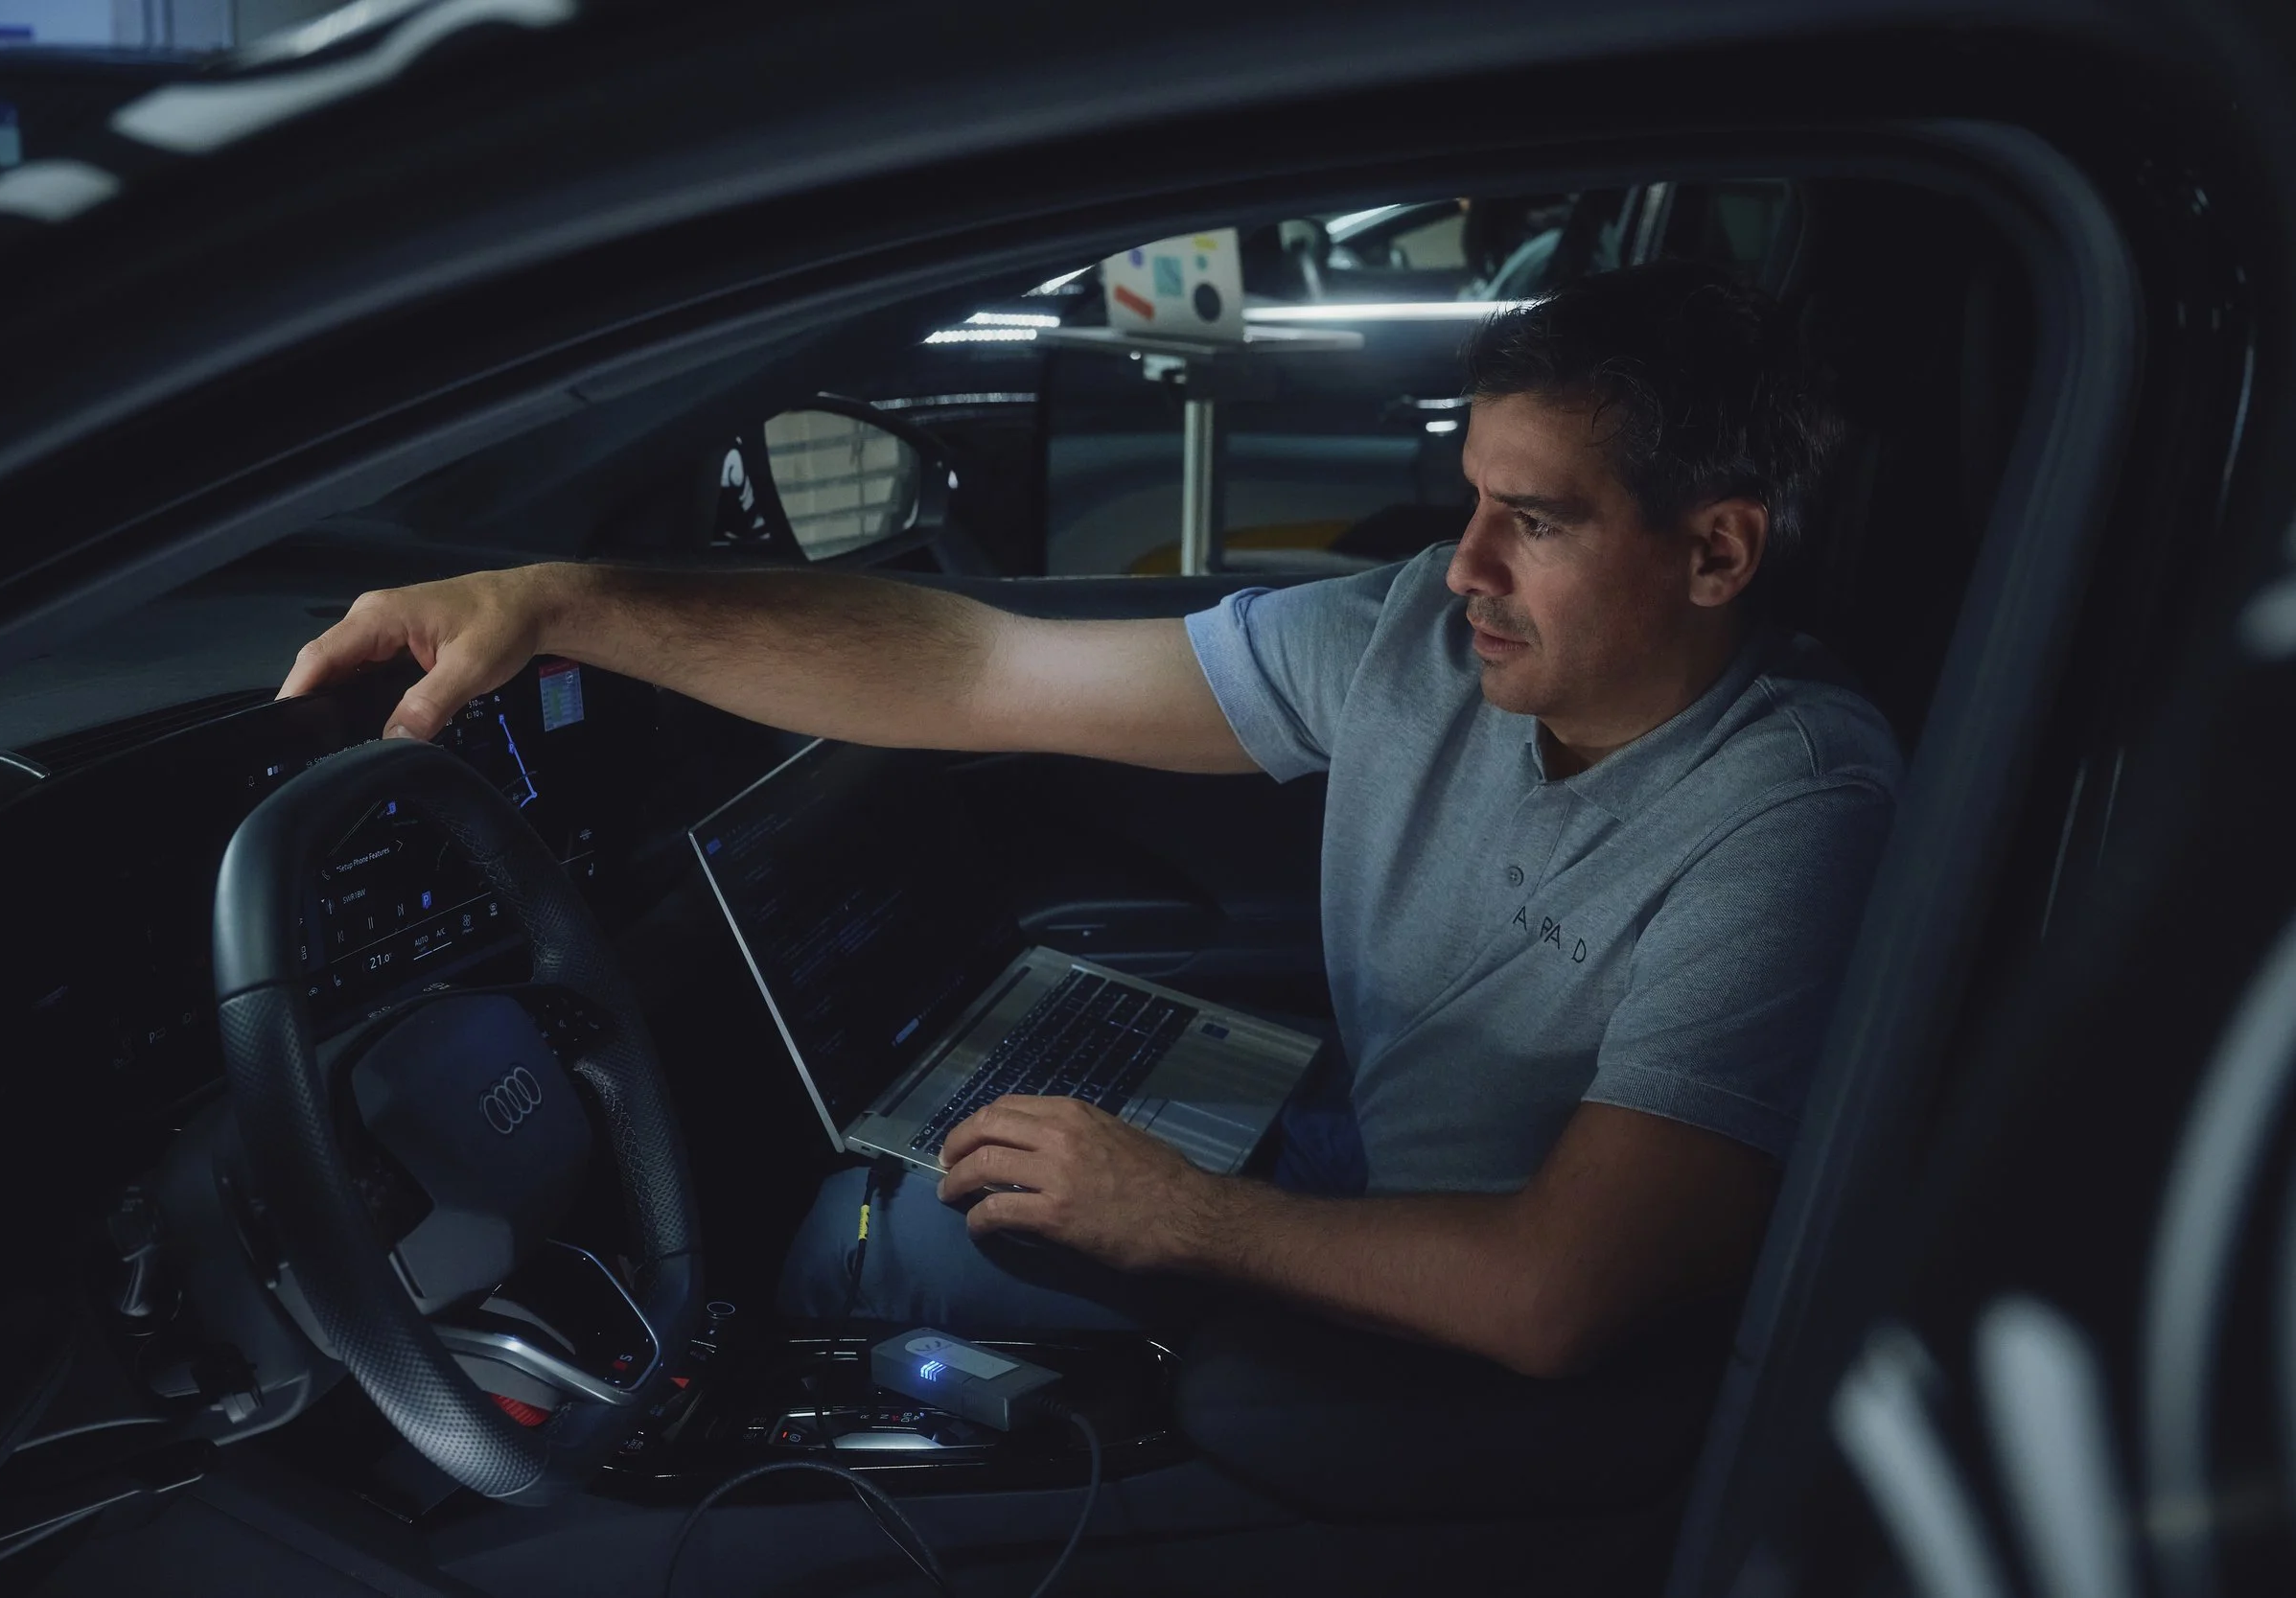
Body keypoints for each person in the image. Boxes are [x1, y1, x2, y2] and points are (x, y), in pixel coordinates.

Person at [281, 259, 1898, 1380]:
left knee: (878, 1232)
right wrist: (565, 601)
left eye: (1532, 520)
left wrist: (1185, 1217)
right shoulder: (1419, 636)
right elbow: (988, 665)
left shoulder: (1790, 811)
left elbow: (1562, 1296)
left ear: (1717, 555)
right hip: (1365, 1151)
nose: (1462, 564)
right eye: (1471, 494)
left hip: (1469, 1310)